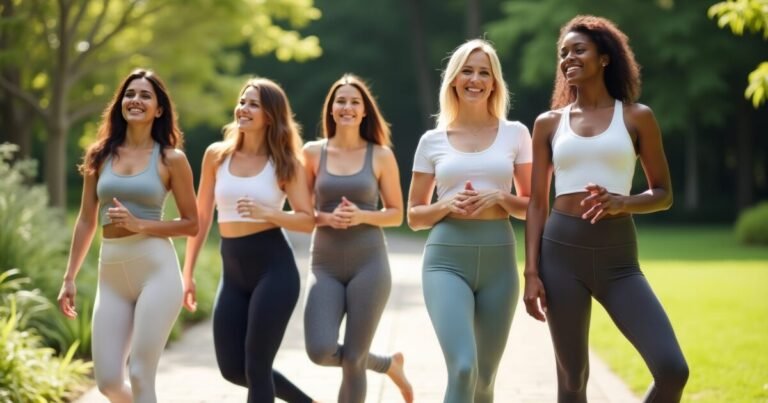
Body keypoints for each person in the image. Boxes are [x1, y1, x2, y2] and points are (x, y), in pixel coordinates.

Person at [523, 15, 689, 402]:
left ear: (605, 58)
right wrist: (531, 271)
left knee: (672, 368)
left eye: (579, 50)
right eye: (563, 53)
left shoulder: (637, 117)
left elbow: (663, 193)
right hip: (560, 256)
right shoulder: (549, 124)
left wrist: (623, 203)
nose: (568, 59)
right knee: (573, 380)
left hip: (619, 261)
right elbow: (536, 203)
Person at [56, 69, 198, 403]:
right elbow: (86, 220)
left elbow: (192, 223)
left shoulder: (170, 159)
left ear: (159, 109)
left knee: (140, 374)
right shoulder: (100, 155)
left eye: (145, 95)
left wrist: (141, 224)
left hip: (157, 272)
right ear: (120, 103)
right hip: (112, 273)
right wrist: (69, 277)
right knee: (107, 381)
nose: (135, 100)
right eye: (129, 94)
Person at [407, 39, 532, 403]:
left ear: (494, 83)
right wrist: (446, 206)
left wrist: (501, 198)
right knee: (463, 368)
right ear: (453, 80)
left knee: (484, 379)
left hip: (499, 262)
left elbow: (532, 206)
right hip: (446, 261)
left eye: (484, 72)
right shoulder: (432, 141)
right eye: (467, 70)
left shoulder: (516, 134)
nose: (475, 79)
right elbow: (414, 216)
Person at [181, 77, 316, 403]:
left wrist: (269, 213)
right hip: (234, 273)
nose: (243, 108)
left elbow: (307, 220)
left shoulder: (285, 162)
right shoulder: (217, 156)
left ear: (270, 115)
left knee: (257, 367)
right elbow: (200, 218)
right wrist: (188, 273)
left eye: (253, 103)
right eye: (243, 101)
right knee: (232, 368)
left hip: (274, 269)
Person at [302, 74, 413, 403]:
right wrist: (326, 217)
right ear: (331, 109)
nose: (347, 107)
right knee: (319, 350)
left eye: (354, 102)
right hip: (324, 266)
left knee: (353, 360)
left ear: (365, 112)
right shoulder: (311, 153)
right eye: (341, 101)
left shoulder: (380, 155)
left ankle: (371, 362)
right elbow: (302, 212)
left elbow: (396, 213)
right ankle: (387, 364)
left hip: (370, 265)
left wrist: (363, 215)